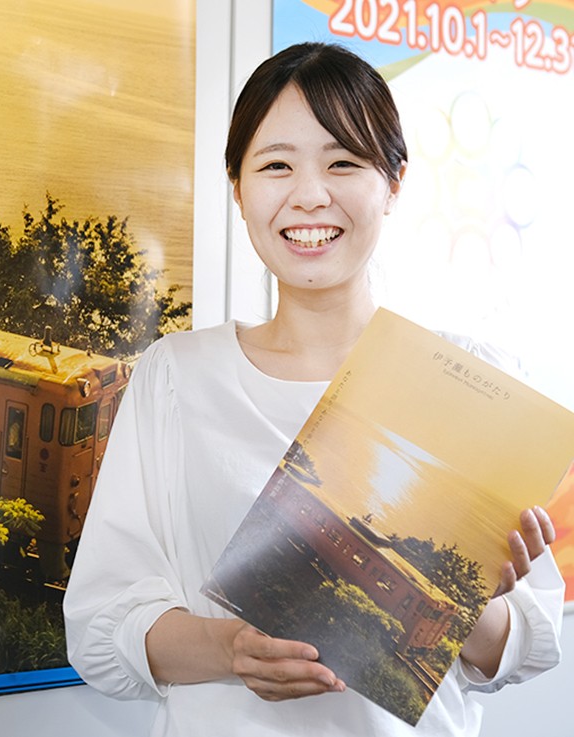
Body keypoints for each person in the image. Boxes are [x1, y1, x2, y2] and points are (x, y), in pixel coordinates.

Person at [63, 42, 563, 737]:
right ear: (238, 187)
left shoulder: (473, 379)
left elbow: (529, 647)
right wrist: (231, 651)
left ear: (394, 182)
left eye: (343, 163)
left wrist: (465, 599)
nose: (309, 195)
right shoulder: (176, 376)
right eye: (276, 165)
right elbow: (99, 625)